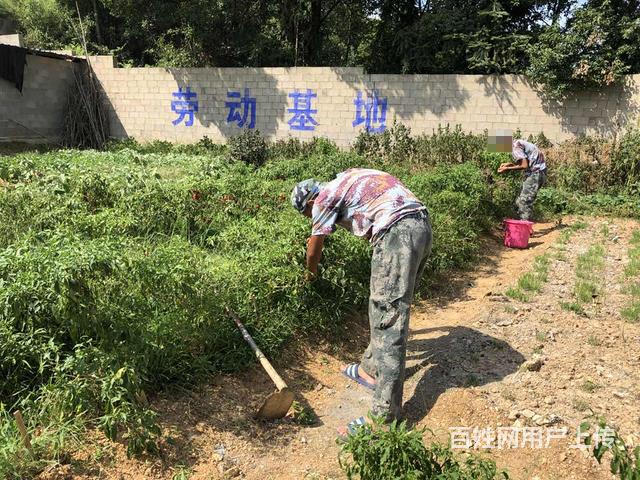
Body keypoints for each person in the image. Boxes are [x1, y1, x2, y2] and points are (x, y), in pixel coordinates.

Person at [290, 168, 432, 436]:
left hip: (397, 234)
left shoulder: (322, 199)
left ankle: (384, 418)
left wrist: (310, 276)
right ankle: (370, 369)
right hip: (421, 226)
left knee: (389, 319)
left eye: (306, 214)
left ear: (309, 202)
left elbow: (314, 246)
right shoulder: (345, 177)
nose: (311, 217)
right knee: (385, 309)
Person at [497, 138, 547, 221]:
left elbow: (524, 165)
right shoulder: (518, 143)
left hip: (535, 174)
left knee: (524, 201)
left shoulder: (515, 147)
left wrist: (507, 169)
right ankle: (522, 225)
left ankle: (524, 228)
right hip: (539, 173)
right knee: (519, 200)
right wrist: (510, 165)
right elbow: (526, 162)